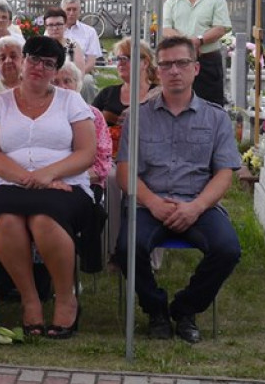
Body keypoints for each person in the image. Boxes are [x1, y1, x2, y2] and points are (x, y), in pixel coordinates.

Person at [113, 36, 242, 344]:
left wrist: (195, 207)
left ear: (196, 68)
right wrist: (154, 203)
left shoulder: (216, 117)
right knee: (127, 249)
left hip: (199, 205)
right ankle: (155, 309)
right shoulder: (137, 116)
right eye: (166, 64)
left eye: (182, 63)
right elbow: (125, 171)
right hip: (150, 204)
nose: (174, 71)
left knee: (228, 250)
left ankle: (185, 309)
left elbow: (224, 173)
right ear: (157, 70)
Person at [0, 36, 96, 339]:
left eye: (48, 63)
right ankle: (30, 299)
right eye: (33, 59)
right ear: (22, 61)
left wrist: (48, 174)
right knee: (6, 222)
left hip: (65, 185)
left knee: (44, 220)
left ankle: (66, 298)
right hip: (9, 184)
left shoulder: (71, 101)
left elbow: (86, 153)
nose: (39, 67)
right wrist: (26, 178)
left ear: (56, 70)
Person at [92, 37, 159, 260]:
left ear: (145, 62)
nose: (120, 63)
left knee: (150, 177)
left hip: (149, 157)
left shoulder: (160, 94)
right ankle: (115, 250)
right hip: (111, 157)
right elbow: (88, 126)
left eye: (126, 58)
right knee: (111, 179)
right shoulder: (108, 94)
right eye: (118, 58)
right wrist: (105, 119)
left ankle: (147, 249)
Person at [162, 0, 231, 106]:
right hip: (179, 63)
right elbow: (166, 29)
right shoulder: (171, 2)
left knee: (211, 107)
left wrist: (199, 40)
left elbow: (220, 28)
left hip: (207, 61)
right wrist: (187, 44)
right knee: (180, 105)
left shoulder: (216, 0)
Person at [54, 62, 112, 200]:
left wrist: (68, 179)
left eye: (67, 81)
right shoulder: (41, 115)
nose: (62, 87)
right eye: (55, 82)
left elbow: (102, 165)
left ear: (78, 84)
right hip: (48, 183)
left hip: (87, 183)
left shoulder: (93, 115)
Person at [61, 0, 102, 102]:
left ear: (80, 11)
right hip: (58, 72)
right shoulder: (53, 30)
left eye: (75, 9)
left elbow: (91, 61)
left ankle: (89, 113)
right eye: (68, 9)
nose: (71, 13)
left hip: (82, 72)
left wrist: (77, 75)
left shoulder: (90, 32)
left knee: (87, 82)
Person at [42, 7, 87, 74]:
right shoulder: (40, 46)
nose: (55, 28)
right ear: (46, 27)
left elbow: (80, 73)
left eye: (58, 24)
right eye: (51, 25)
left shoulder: (73, 46)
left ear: (65, 25)